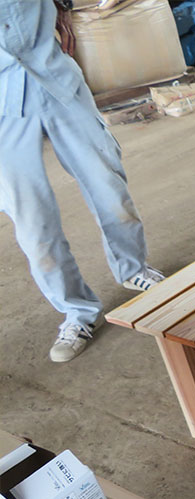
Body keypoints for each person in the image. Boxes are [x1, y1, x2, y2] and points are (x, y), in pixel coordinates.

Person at [0, 0, 164, 363]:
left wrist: (63, 5)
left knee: (108, 185)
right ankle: (76, 311)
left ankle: (133, 269)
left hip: (53, 75)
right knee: (32, 221)